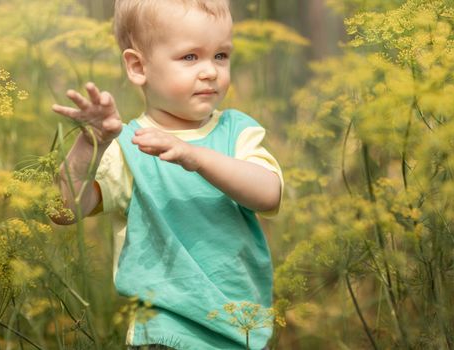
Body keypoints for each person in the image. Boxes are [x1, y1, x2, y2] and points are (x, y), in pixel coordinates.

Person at [51, 0, 283, 349]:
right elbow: (63, 210)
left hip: (243, 329)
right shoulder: (131, 146)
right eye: (190, 57)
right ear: (138, 66)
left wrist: (196, 157)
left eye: (221, 55)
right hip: (163, 331)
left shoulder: (238, 132)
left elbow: (269, 194)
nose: (210, 71)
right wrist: (91, 143)